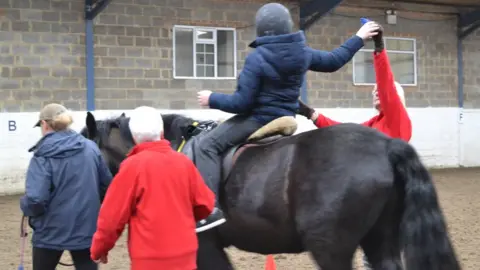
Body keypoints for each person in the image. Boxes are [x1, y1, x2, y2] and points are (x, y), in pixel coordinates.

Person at [195, 2, 382, 232]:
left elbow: (242, 103)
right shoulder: (301, 52)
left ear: (262, 29)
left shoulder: (257, 57)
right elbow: (334, 61)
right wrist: (359, 37)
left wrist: (211, 98)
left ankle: (209, 210)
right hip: (286, 117)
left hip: (258, 119)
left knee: (207, 145)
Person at [90, 106, 215, 270]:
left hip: (149, 259)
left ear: (134, 137)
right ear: (162, 132)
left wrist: (99, 249)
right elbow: (205, 205)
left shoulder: (131, 167)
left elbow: (111, 219)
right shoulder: (183, 162)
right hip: (186, 256)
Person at [20, 103, 112, 270]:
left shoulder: (42, 155)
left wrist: (25, 206)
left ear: (44, 124)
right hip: (86, 229)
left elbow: (36, 199)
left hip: (49, 232)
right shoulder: (90, 148)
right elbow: (107, 186)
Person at [297, 24, 412, 143]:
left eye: (379, 90)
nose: (376, 93)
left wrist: (379, 47)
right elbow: (345, 132)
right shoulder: (374, 123)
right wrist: (311, 114)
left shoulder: (399, 120)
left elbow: (386, 86)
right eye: (374, 91)